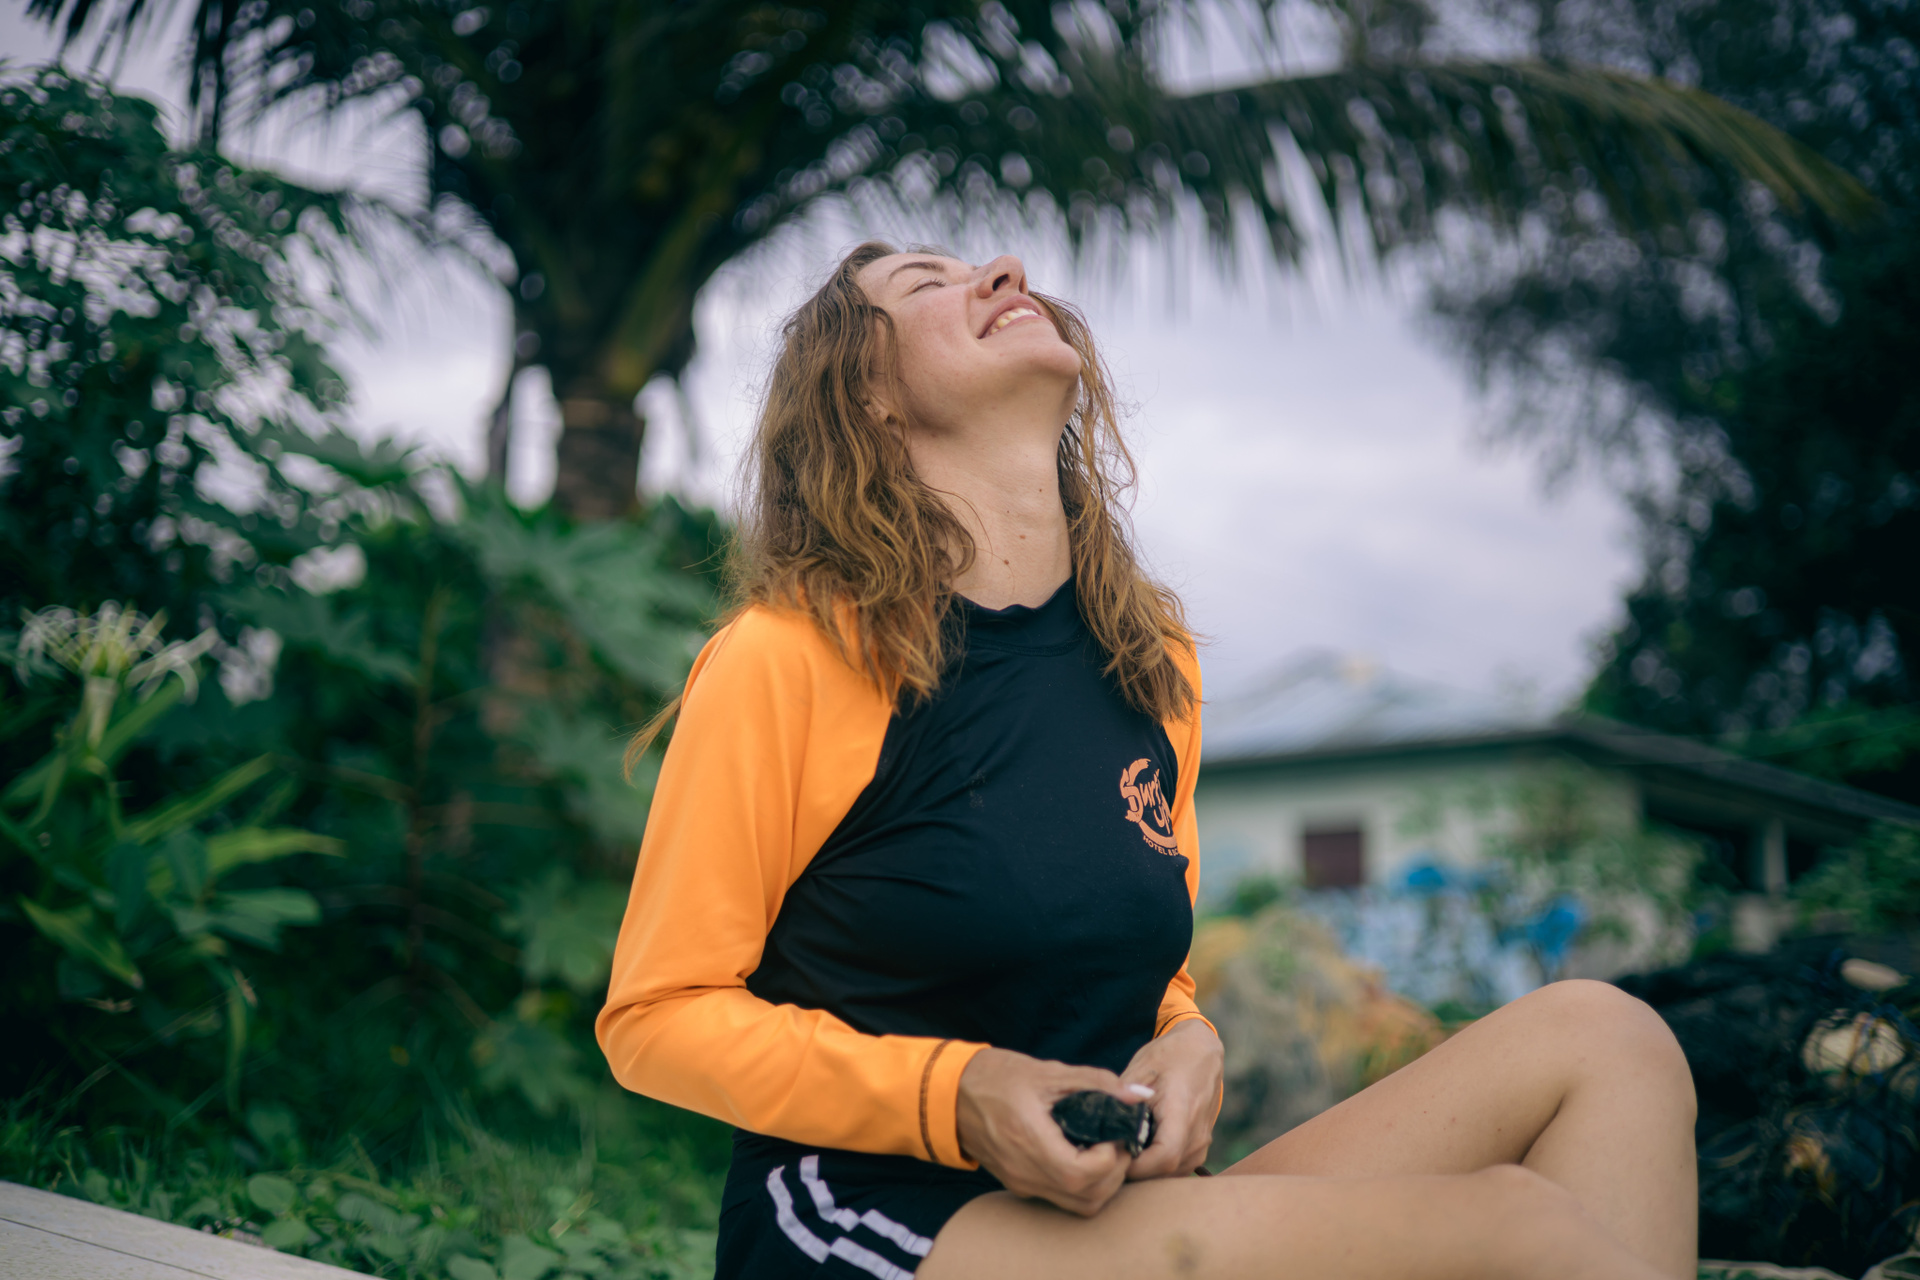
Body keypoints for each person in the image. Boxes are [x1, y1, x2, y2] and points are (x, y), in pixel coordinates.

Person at [595, 241, 1699, 1280]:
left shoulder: (1148, 660)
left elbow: (1149, 972)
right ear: (868, 397)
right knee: (1511, 1228)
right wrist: (956, 1092)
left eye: (988, 266)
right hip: (872, 1216)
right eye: (928, 284)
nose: (1002, 272)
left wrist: (1189, 1038)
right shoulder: (795, 654)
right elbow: (659, 1014)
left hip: (1116, 1214)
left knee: (1608, 1039)